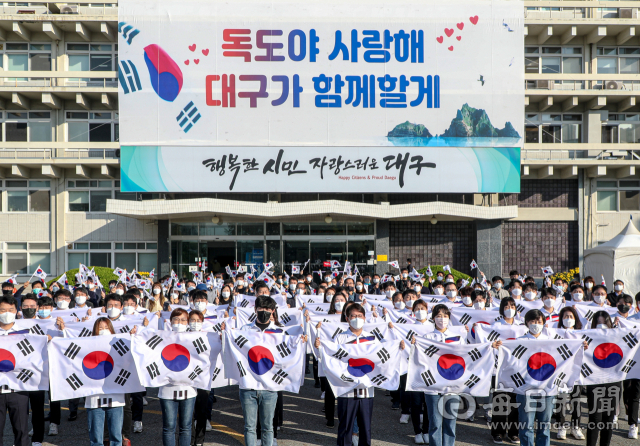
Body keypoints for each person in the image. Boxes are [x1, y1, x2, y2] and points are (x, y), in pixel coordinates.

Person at [315, 302, 404, 446]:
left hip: (366, 391)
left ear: (365, 317)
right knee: (345, 428)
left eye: (360, 315)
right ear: (347, 318)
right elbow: (331, 360)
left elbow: (381, 359)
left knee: (365, 429)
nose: (357, 318)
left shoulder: (372, 338)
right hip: (347, 391)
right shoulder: (340, 338)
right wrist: (320, 348)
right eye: (353, 316)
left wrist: (398, 348)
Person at [412, 304, 464, 446]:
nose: (442, 319)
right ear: (433, 318)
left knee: (450, 422)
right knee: (435, 422)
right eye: (439, 316)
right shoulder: (426, 337)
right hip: (433, 385)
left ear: (449, 318)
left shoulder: (457, 337)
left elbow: (467, 356)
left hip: (452, 384)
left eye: (445, 316)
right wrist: (413, 345)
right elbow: (418, 359)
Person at [159, 308, 197, 446]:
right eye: (176, 319)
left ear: (187, 322)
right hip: (167, 389)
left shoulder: (194, 338)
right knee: (169, 428)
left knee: (186, 427)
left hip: (189, 389)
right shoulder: (162, 338)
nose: (179, 322)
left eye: (183, 320)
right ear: (170, 321)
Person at [86, 318, 125, 446]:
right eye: (100, 329)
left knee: (116, 438)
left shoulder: (119, 345)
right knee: (96, 439)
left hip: (115, 395)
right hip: (94, 396)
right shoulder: (87, 345)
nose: (103, 331)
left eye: (106, 328)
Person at [586, 311, 621, 446]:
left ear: (610, 324)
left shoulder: (618, 337)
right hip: (594, 381)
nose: (601, 326)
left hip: (614, 381)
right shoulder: (588, 338)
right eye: (598, 323)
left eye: (604, 323)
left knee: (608, 418)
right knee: (595, 418)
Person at [490, 297, 522, 443]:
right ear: (502, 308)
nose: (510, 308)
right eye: (507, 306)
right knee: (500, 400)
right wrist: (493, 345)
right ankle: (498, 431)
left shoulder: (522, 326)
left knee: (515, 402)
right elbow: (487, 343)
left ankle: (514, 432)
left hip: (517, 369)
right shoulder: (495, 326)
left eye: (512, 305)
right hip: (500, 368)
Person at [0, 295, 31, 446]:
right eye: (3, 310)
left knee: (21, 431)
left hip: (19, 389)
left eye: (10, 309)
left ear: (16, 310)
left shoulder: (26, 333)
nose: (6, 313)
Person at [554, 306, 584, 440]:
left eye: (571, 317)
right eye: (565, 317)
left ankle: (575, 427)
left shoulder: (581, 334)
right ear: (561, 319)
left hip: (576, 371)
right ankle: (561, 426)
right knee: (561, 399)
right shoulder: (555, 334)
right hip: (561, 371)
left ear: (575, 319)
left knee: (576, 399)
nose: (568, 319)